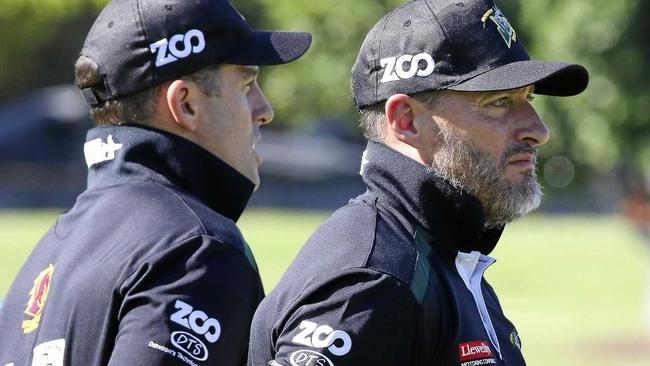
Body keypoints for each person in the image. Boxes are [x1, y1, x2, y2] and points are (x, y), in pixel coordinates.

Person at [248, 0, 588, 365]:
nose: (539, 130)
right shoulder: (373, 281)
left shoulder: (442, 254)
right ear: (406, 121)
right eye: (499, 101)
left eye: (528, 98)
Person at [0, 0, 310, 365]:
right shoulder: (196, 253)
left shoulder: (48, 252)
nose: (265, 111)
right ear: (185, 104)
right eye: (245, 85)